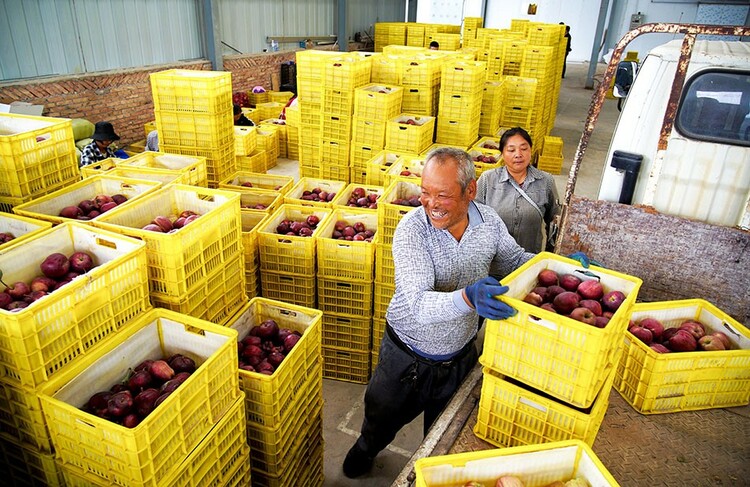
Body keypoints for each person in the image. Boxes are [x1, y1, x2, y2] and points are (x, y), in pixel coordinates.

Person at [342, 147, 536, 479]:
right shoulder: (412, 231)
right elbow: (417, 304)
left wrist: (558, 265)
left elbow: (515, 260)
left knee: (441, 435)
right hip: (406, 356)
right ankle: (367, 447)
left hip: (457, 358)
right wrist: (469, 298)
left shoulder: (489, 222)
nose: (431, 203)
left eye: (443, 195)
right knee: (381, 417)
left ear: (470, 191)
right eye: (425, 192)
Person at [476, 127, 561, 254]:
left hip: (528, 260)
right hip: (492, 262)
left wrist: (551, 254)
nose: (518, 154)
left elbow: (555, 221)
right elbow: (472, 218)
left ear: (531, 150)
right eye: (511, 150)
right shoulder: (487, 179)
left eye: (524, 148)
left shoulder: (546, 181)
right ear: (502, 154)